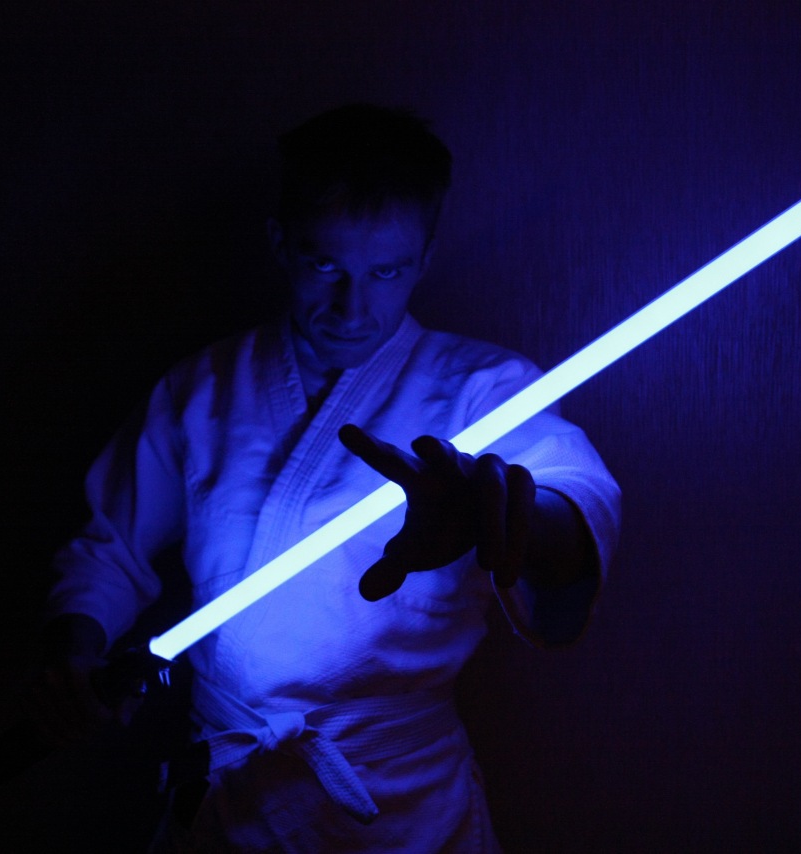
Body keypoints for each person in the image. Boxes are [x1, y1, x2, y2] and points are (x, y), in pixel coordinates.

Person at [32, 104, 620, 852]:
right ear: (281, 244)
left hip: (401, 804)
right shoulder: (203, 388)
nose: (352, 307)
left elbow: (577, 503)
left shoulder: (486, 392)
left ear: (425, 258)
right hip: (230, 796)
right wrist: (77, 652)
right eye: (325, 266)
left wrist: (506, 518)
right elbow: (108, 549)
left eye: (386, 272)